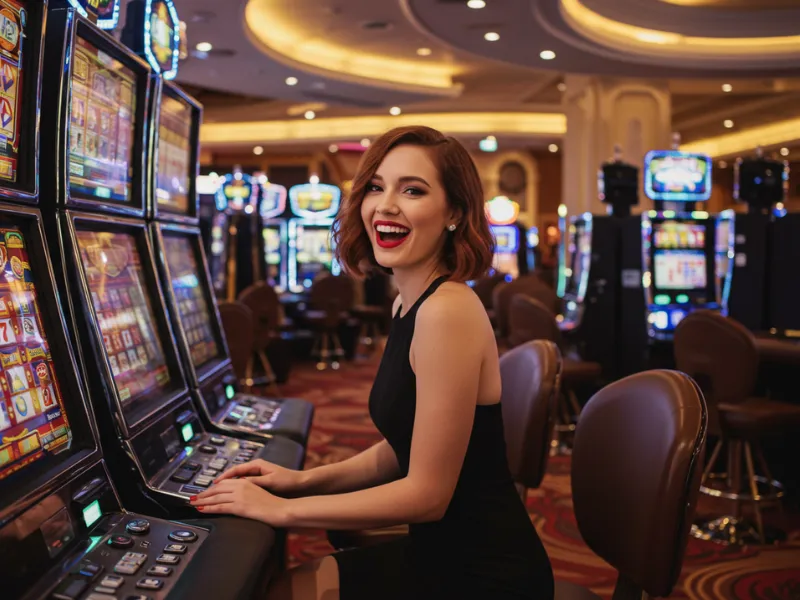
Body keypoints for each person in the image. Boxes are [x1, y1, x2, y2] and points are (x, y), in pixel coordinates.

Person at [190, 126, 555, 599]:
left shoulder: (447, 311)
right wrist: (302, 481)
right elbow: (399, 448)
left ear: (454, 214)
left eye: (413, 190)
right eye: (376, 187)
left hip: (485, 572)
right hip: (441, 551)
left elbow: (427, 495)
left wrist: (283, 511)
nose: (385, 205)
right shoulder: (409, 303)